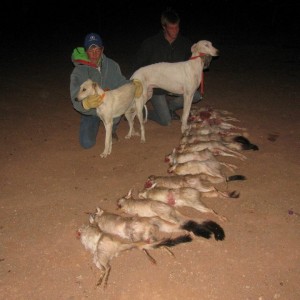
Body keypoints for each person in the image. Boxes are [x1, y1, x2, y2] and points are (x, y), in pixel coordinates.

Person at [133, 8, 202, 126]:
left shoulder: (185, 43)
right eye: (171, 28)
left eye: (177, 27)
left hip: (176, 85)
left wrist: (204, 60)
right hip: (157, 88)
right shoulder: (150, 43)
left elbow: (193, 65)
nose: (175, 31)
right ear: (164, 27)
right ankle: (143, 112)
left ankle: (170, 107)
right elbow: (138, 66)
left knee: (196, 95)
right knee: (166, 120)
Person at [70, 33, 128, 149]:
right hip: (92, 111)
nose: (95, 53)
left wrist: (132, 85)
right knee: (86, 143)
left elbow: (121, 82)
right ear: (86, 51)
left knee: (117, 109)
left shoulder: (112, 65)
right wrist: (84, 104)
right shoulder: (79, 70)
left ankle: (112, 129)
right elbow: (74, 95)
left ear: (102, 49)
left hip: (110, 107)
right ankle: (93, 122)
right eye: (91, 50)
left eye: (97, 49)